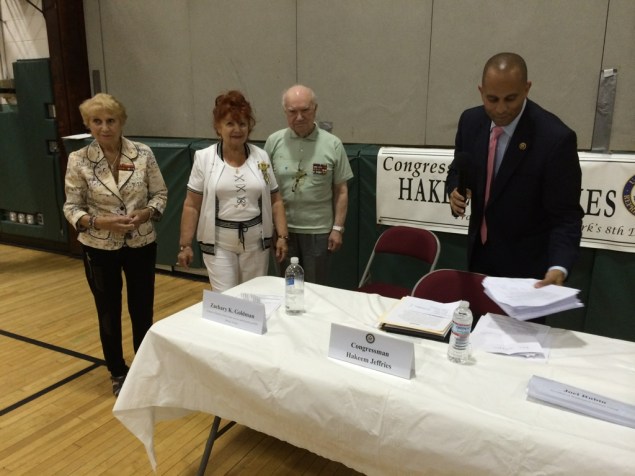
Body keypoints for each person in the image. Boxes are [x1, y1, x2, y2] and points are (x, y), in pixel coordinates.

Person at [447, 52, 583, 288]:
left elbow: (566, 217)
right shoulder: (470, 122)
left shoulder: (555, 139)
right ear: (481, 91)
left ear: (527, 89)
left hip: (527, 272)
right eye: (492, 99)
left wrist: (558, 267)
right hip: (479, 259)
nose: (500, 109)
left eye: (510, 99)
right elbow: (459, 167)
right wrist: (453, 190)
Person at [63, 93, 168, 396]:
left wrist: (147, 212)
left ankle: (145, 364)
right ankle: (117, 371)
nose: (105, 127)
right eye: (97, 121)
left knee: (142, 308)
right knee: (108, 310)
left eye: (111, 120)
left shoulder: (143, 154)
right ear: (89, 125)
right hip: (99, 247)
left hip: (141, 242)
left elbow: (160, 194)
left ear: (121, 122)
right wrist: (99, 222)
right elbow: (72, 207)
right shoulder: (79, 159)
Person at [177, 90, 288, 291]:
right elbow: (192, 205)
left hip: (256, 243)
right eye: (230, 123)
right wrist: (185, 245)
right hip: (219, 244)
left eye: (242, 124)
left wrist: (282, 235)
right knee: (225, 301)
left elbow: (276, 200)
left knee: (253, 298)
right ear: (218, 127)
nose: (237, 129)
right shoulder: (204, 158)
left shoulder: (261, 156)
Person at [265, 85, 353, 285]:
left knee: (315, 287)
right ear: (284, 112)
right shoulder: (273, 142)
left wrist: (338, 228)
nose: (299, 117)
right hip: (282, 231)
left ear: (315, 109)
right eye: (292, 112)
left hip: (318, 231)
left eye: (305, 110)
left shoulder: (333, 144)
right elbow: (265, 187)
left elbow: (341, 190)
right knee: (286, 286)